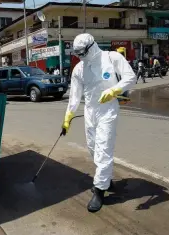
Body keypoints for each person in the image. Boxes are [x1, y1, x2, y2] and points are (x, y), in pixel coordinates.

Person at [62, 33, 136, 212]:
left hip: (108, 110)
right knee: (93, 147)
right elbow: (74, 96)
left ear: (91, 47)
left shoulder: (112, 58)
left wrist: (113, 90)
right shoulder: (79, 69)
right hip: (90, 111)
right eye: (77, 54)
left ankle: (99, 190)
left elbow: (130, 77)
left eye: (82, 53)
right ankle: (107, 179)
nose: (80, 57)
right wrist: (68, 118)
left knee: (103, 149)